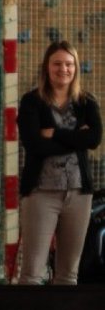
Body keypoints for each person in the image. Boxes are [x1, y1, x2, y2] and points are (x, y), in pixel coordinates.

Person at [17, 40, 102, 285]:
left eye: (69, 64)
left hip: (79, 194)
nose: (63, 69)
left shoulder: (87, 102)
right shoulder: (31, 101)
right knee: (32, 273)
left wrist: (54, 133)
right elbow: (34, 144)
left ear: (76, 68)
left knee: (69, 274)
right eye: (57, 64)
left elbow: (94, 139)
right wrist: (77, 139)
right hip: (41, 193)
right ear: (47, 66)